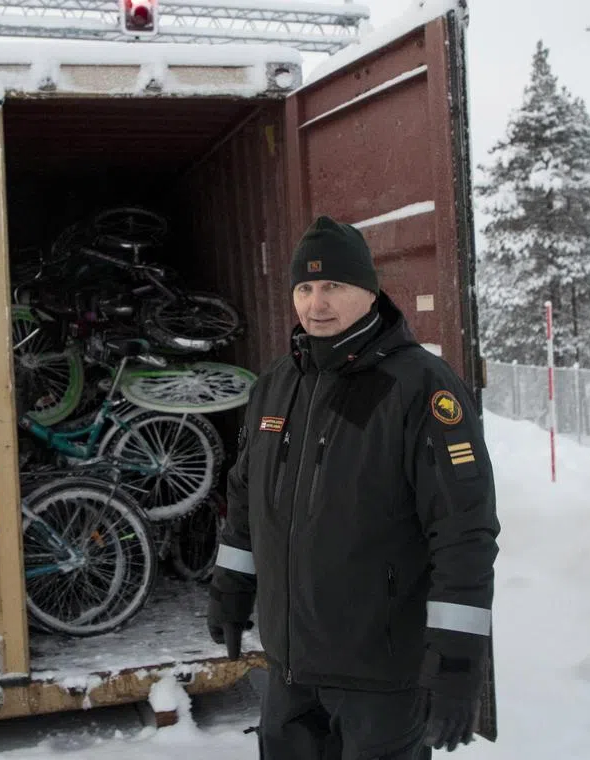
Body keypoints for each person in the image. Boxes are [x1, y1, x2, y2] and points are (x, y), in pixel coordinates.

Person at [207, 216, 500, 759]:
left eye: (333, 286)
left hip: (381, 679)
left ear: (369, 292)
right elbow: (248, 499)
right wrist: (231, 584)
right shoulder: (276, 384)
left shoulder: (420, 387)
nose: (316, 304)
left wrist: (458, 661)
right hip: (291, 672)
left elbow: (464, 530)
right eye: (305, 287)